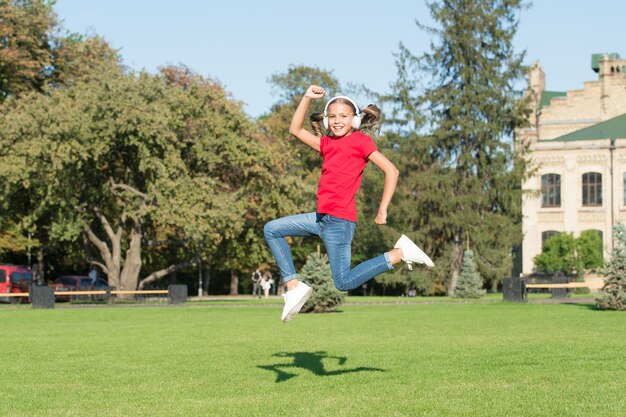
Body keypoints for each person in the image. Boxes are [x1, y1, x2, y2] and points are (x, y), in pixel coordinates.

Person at [264, 85, 434, 323]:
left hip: (339, 223)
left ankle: (399, 253)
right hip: (320, 218)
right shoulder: (326, 144)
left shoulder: (361, 142)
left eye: (343, 116)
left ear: (354, 120)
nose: (336, 121)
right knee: (272, 229)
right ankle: (294, 287)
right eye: (332, 117)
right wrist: (306, 98)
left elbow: (391, 171)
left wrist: (383, 207)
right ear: (326, 121)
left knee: (342, 282)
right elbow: (295, 129)